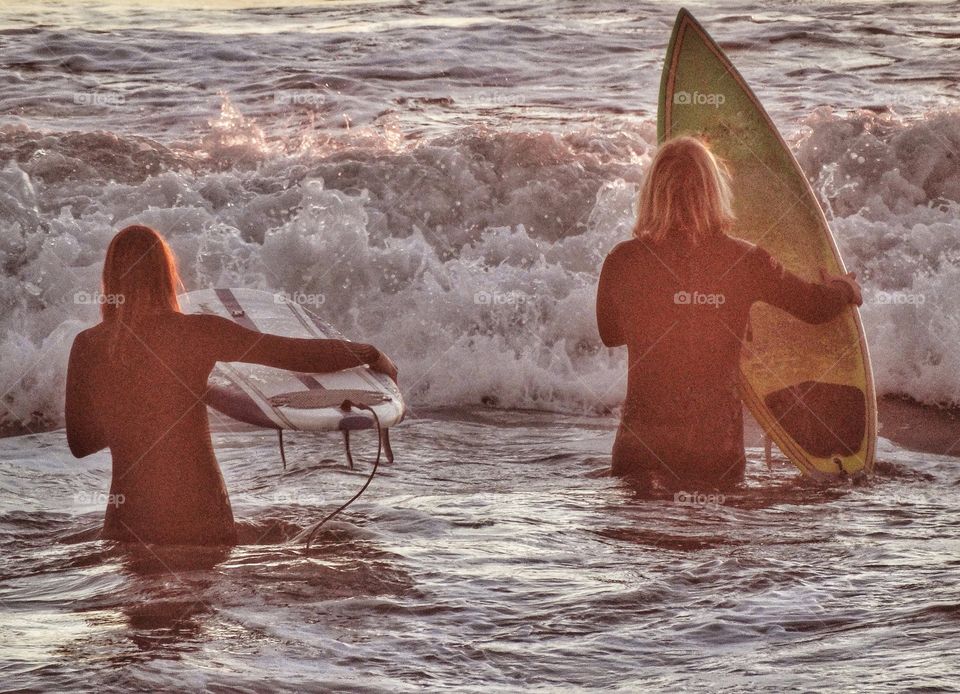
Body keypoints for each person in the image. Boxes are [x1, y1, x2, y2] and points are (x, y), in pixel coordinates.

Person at [65, 224, 397, 546]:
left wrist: (134, 409)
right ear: (165, 274)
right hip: (202, 517)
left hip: (130, 523)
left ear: (110, 279)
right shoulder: (199, 332)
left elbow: (81, 443)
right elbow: (293, 353)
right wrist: (369, 353)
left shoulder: (88, 345)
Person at [596, 137, 862, 492]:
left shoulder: (623, 260)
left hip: (640, 452)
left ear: (652, 193)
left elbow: (610, 333)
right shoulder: (746, 260)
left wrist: (671, 311)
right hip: (714, 453)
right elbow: (814, 307)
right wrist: (844, 289)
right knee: (715, 542)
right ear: (714, 191)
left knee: (643, 542)